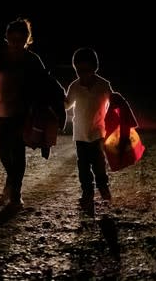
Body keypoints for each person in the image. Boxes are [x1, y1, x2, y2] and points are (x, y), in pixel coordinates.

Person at [0, 17, 46, 208]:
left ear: (27, 39)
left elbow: (44, 84)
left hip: (20, 113)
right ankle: (11, 186)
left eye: (20, 39)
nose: (16, 43)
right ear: (7, 38)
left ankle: (15, 194)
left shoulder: (32, 60)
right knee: (3, 153)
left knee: (18, 153)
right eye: (13, 39)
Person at [64, 47, 132, 216]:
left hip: (98, 133)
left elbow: (113, 103)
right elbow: (66, 105)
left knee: (99, 164)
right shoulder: (74, 86)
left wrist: (120, 114)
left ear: (94, 68)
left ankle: (103, 187)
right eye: (79, 70)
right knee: (83, 166)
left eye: (86, 70)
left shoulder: (103, 85)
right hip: (80, 134)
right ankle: (87, 193)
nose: (83, 74)